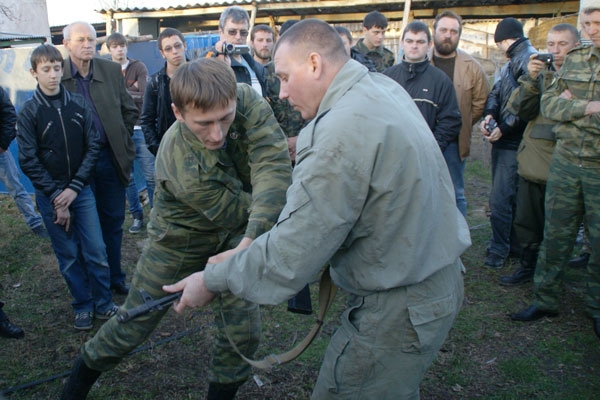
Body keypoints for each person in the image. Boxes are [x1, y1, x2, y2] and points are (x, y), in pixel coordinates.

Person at [165, 19, 470, 399]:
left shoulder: (339, 130)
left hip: (400, 306)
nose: (283, 92)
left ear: (313, 64)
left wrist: (211, 280)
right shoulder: (381, 87)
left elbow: (292, 252)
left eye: (285, 77)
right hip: (431, 282)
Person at [60, 58, 292, 399]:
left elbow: (272, 164)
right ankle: (76, 386)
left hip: (238, 232)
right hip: (179, 239)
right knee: (134, 322)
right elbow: (236, 210)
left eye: (225, 119)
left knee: (241, 332)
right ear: (178, 112)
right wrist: (264, 226)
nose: (217, 134)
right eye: (204, 123)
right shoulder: (177, 159)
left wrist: (249, 241)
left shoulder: (246, 100)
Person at [510, 7, 600, 340]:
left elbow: (561, 109)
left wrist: (570, 108)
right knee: (555, 237)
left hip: (597, 166)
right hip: (565, 161)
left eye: (597, 24)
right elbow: (549, 107)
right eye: (588, 23)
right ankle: (545, 299)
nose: (592, 30)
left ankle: (597, 308)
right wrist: (588, 107)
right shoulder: (576, 60)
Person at [17, 44, 119, 330]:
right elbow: (28, 159)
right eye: (46, 69)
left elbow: (93, 145)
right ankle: (83, 305)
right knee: (69, 255)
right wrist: (55, 197)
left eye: (57, 68)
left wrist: (74, 188)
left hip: (81, 190)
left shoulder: (78, 103)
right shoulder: (29, 112)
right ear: (34, 73)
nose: (53, 75)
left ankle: (103, 303)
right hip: (50, 196)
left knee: (96, 249)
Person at [499, 24, 580, 286]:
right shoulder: (541, 75)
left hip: (566, 162)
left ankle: (555, 276)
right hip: (534, 161)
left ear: (576, 46)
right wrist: (532, 79)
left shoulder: (585, 78)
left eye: (563, 44)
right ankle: (528, 266)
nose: (555, 51)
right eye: (551, 44)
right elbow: (518, 109)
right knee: (527, 220)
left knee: (560, 228)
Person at [62, 21, 138, 295]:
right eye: (80, 39)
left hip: (109, 159)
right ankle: (93, 283)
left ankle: (115, 278)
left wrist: (121, 139)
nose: (87, 44)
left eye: (92, 39)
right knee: (84, 228)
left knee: (113, 222)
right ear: (67, 43)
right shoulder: (57, 75)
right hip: (77, 167)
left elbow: (129, 110)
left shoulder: (109, 70)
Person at [383, 21, 463, 208]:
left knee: (424, 206)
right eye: (410, 41)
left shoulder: (440, 80)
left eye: (420, 41)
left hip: (427, 160)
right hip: (393, 158)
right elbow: (377, 118)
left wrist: (432, 149)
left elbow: (451, 120)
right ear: (402, 43)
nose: (414, 45)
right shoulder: (387, 78)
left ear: (429, 45)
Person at [479, 17, 536, 269]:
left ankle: (499, 249)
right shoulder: (514, 60)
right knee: (509, 197)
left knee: (501, 198)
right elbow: (496, 92)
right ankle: (511, 245)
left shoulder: (526, 59)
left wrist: (503, 128)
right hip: (506, 138)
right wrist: (490, 115)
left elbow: (527, 105)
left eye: (500, 43)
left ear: (504, 40)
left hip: (513, 142)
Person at [430, 10, 490, 217]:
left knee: (455, 192)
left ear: (459, 35)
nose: (448, 35)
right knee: (424, 191)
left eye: (453, 31)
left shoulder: (472, 67)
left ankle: (457, 242)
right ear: (434, 31)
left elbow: (480, 102)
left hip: (454, 143)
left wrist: (459, 124)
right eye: (443, 30)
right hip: (423, 139)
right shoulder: (421, 61)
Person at [106, 32, 154, 234]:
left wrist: (121, 93)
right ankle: (137, 216)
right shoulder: (105, 70)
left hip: (140, 128)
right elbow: (106, 99)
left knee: (151, 176)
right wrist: (130, 91)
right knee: (128, 178)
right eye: (115, 46)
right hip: (119, 131)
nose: (120, 49)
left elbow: (144, 94)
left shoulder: (138, 67)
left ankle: (156, 216)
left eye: (123, 45)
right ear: (109, 49)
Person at [0, 88, 47, 238]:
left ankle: (35, 223)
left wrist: (3, 144)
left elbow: (9, 114)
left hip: (1, 153)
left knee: (16, 188)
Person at [140, 27, 188, 156]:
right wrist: (158, 149)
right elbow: (146, 121)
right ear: (162, 53)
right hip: (170, 150)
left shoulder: (201, 76)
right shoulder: (155, 82)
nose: (174, 51)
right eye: (168, 49)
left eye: (177, 46)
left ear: (185, 45)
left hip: (200, 146)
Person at [210, 6, 267, 96]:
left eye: (243, 33)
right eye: (232, 32)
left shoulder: (256, 67)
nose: (238, 37)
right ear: (221, 32)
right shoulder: (208, 60)